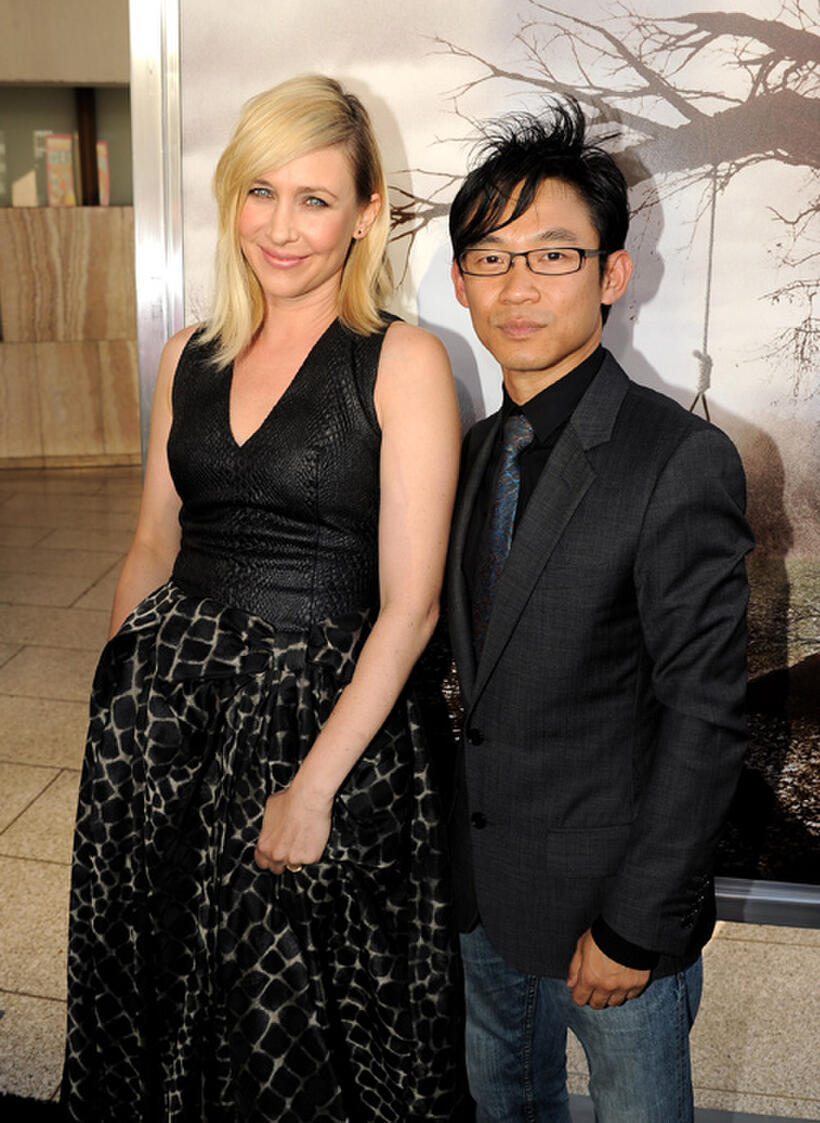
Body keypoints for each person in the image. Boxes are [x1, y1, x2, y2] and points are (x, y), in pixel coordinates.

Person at [61, 75, 462, 1122]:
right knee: (159, 981)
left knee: (296, 1020)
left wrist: (316, 786)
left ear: (368, 212)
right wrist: (118, 704)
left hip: (315, 719)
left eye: (316, 200)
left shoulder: (405, 361)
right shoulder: (184, 356)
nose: (281, 228)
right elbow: (155, 537)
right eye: (260, 193)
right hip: (166, 723)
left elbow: (410, 608)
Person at [445, 101, 752, 1122]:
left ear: (613, 275)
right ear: (457, 282)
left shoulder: (675, 457)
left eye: (553, 256)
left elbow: (706, 716)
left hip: (613, 918)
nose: (517, 286)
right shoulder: (471, 451)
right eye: (490, 258)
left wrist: (635, 924)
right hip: (483, 902)